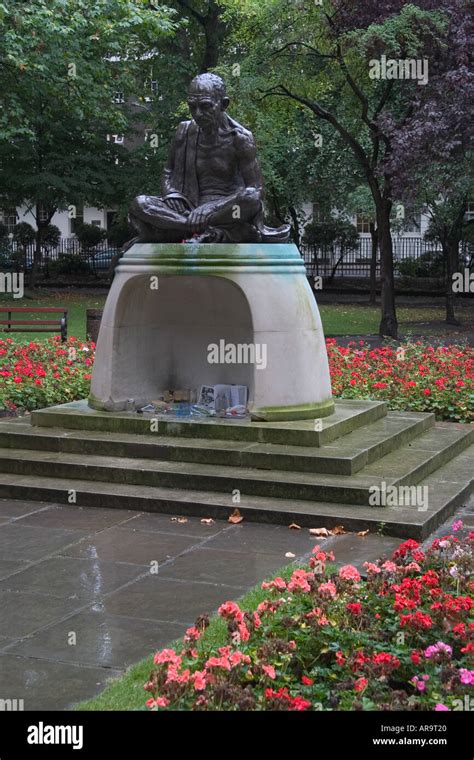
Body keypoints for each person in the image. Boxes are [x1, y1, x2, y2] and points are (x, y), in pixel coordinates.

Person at [128, 73, 290, 244]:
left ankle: (178, 229)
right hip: (187, 208)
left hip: (225, 210)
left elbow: (256, 189)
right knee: (140, 203)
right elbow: (168, 171)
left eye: (205, 106)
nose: (197, 114)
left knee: (250, 199)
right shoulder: (184, 131)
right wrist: (171, 194)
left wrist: (211, 208)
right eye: (192, 107)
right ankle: (197, 228)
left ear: (223, 104)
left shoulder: (240, 138)